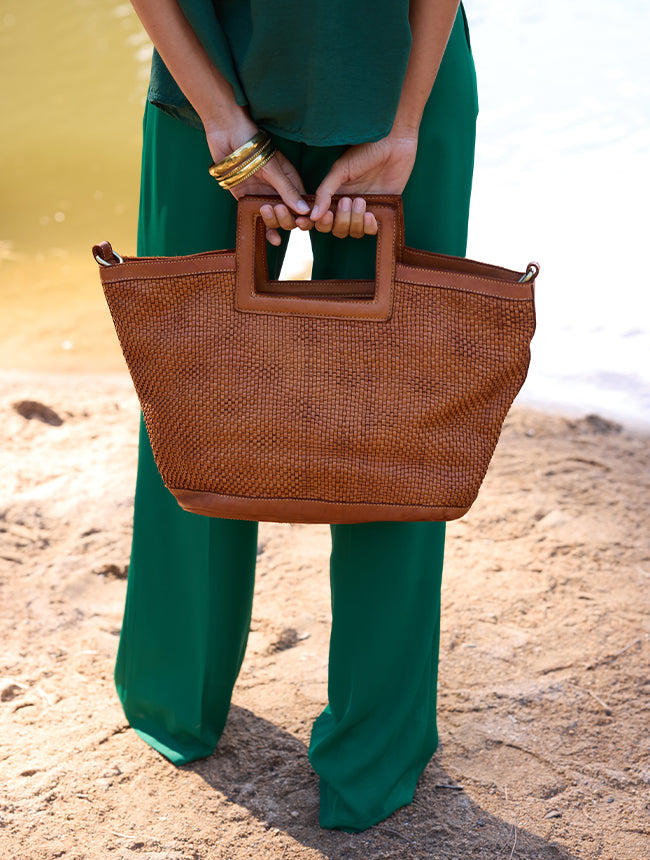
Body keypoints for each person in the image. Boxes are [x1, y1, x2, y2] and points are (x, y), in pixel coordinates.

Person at [115, 0, 478, 833]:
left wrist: (404, 129)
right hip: (205, 72)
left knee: (400, 416)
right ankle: (178, 692)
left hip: (406, 75)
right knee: (191, 394)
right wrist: (224, 126)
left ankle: (376, 748)